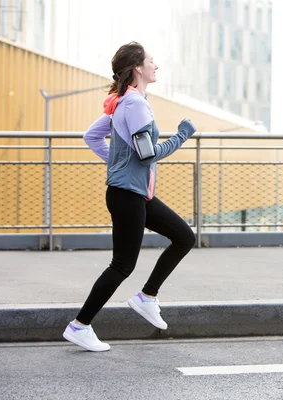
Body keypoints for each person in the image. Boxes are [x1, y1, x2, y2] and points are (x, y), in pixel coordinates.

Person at [63, 42, 197, 352]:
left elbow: (91, 137)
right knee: (122, 265)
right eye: (152, 61)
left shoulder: (121, 102)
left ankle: (147, 297)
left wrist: (116, 163)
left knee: (183, 237)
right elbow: (147, 155)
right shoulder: (134, 104)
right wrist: (182, 135)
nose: (156, 65)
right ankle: (80, 326)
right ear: (138, 68)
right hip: (128, 195)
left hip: (136, 194)